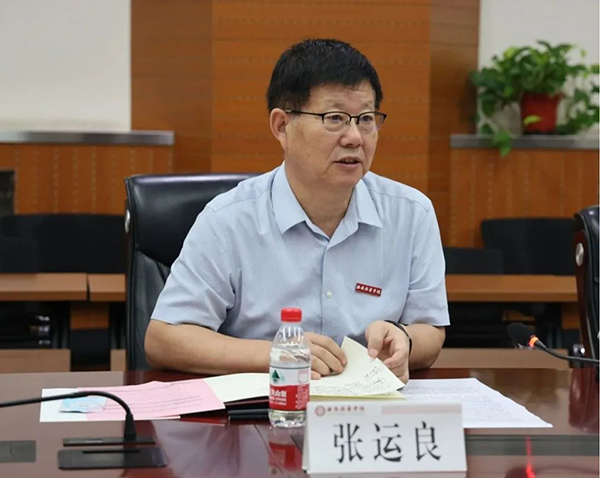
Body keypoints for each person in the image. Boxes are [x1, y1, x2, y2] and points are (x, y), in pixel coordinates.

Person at [145, 39, 449, 384]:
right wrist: (278, 354)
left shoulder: (412, 214)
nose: (355, 137)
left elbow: (430, 329)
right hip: (266, 406)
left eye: (366, 119)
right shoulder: (228, 220)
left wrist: (405, 339)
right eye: (335, 118)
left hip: (368, 408)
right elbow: (164, 339)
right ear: (281, 126)